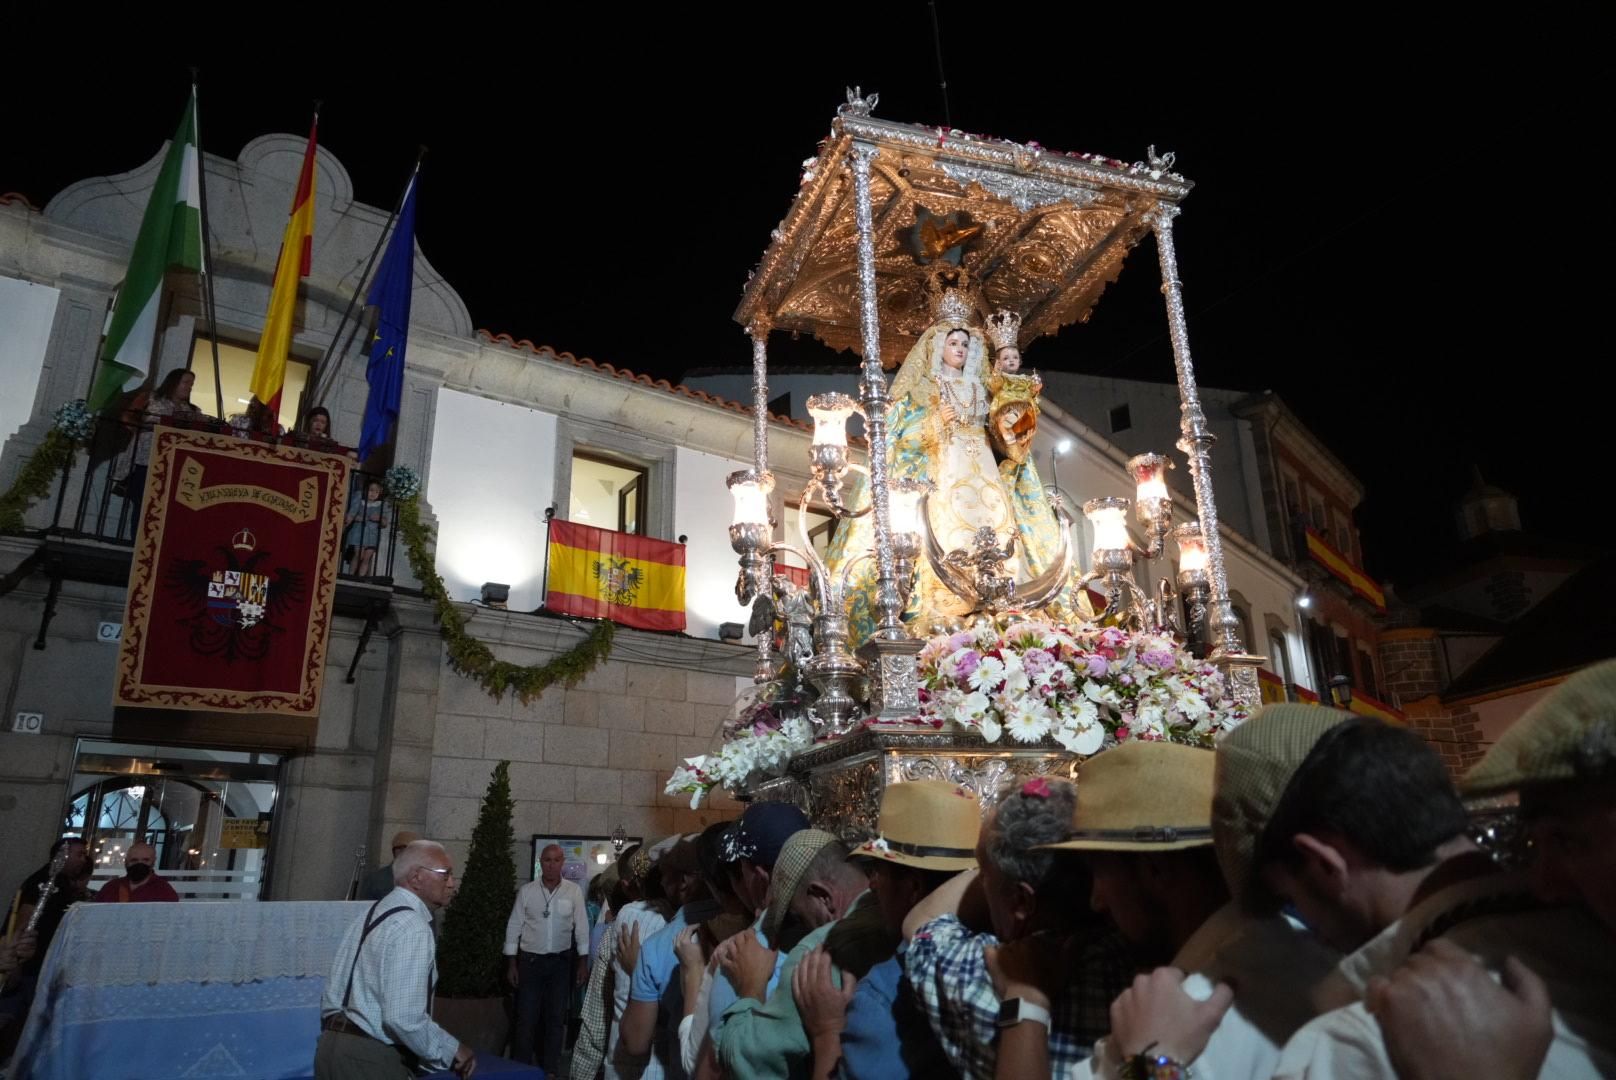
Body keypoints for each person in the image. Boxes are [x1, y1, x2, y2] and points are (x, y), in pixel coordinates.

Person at [1127, 703, 1615, 1077]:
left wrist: (1155, 1063)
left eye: (1290, 902)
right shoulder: (1598, 933)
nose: (1307, 932)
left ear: (1323, 864)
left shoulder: (1354, 1046)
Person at [996, 739, 1336, 1079]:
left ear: (1155, 870)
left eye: (1099, 872)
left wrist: (1026, 1000)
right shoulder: (1314, 952)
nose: (1096, 900)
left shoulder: (1177, 1025)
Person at [825, 270, 1076, 641]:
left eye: (964, 344)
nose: (959, 349)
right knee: (945, 523)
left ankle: (1004, 591)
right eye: (953, 343)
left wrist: (1013, 421)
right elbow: (897, 436)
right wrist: (932, 422)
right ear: (937, 346)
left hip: (985, 469)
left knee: (997, 521)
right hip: (945, 467)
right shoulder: (924, 391)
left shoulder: (981, 388)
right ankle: (944, 595)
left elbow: (1003, 436)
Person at [901, 778, 1133, 1080]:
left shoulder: (982, 972)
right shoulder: (1143, 955)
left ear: (1021, 902)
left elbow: (920, 923)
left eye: (983, 877)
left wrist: (991, 859)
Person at [793, 779, 979, 1080]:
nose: (873, 885)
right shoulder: (1002, 957)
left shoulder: (885, 996)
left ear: (913, 887)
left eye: (879, 871)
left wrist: (826, 1034)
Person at [715, 829, 871, 1080]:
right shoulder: (900, 917)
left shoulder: (819, 953)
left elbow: (748, 1062)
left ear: (823, 897)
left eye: (798, 918)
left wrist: (750, 988)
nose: (801, 931)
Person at [315, 840, 475, 1080]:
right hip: (370, 1059)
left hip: (329, 1049)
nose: (452, 883)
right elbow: (403, 1018)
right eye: (446, 874)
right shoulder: (412, 926)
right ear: (416, 877)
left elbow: (333, 993)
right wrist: (452, 1050)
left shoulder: (371, 914)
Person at [619, 837, 718, 1080]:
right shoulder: (750, 928)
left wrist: (636, 975)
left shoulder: (657, 946)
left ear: (683, 882)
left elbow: (635, 1042)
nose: (660, 882)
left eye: (664, 874)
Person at [505, 843, 590, 1073]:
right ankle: (520, 1069)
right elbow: (514, 926)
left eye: (556, 860)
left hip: (561, 964)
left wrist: (583, 962)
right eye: (547, 860)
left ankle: (550, 1069)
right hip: (530, 963)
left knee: (555, 1019)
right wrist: (512, 962)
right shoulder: (527, 892)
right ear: (540, 863)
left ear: (563, 862)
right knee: (526, 1018)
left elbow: (581, 927)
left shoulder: (573, 892)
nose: (551, 865)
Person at [123, 368, 203, 500]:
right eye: (186, 382)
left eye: (191, 384)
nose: (189, 387)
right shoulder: (150, 398)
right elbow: (127, 416)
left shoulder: (192, 410)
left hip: (174, 464)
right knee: (141, 501)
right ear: (174, 382)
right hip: (146, 459)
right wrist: (141, 432)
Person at [94, 840, 179, 903]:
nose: (140, 864)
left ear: (153, 862)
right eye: (134, 860)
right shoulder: (111, 887)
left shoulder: (164, 891)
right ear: (126, 862)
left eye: (145, 860)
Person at [361, 832, 423, 902]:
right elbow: (364, 908)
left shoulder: (423, 878)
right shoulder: (375, 879)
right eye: (400, 849)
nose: (403, 853)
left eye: (408, 850)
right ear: (394, 852)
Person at [345, 479, 388, 578]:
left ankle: (360, 578)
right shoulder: (360, 502)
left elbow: (385, 523)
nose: (373, 493)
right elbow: (352, 515)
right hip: (359, 533)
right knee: (358, 555)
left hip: (373, 535)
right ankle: (350, 576)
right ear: (366, 490)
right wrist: (359, 518)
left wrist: (380, 518)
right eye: (371, 490)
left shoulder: (381, 506)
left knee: (367, 558)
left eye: (376, 491)